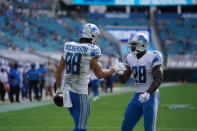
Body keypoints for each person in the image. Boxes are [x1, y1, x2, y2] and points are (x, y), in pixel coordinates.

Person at [55, 23, 125, 131]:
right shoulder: (92, 50)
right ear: (92, 35)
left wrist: (59, 90)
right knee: (81, 127)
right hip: (79, 93)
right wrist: (114, 69)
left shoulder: (68, 46)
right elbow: (100, 74)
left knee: (78, 124)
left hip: (66, 92)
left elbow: (59, 70)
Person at [119, 32, 163, 131]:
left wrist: (148, 93)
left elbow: (159, 78)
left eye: (134, 44)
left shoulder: (153, 56)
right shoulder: (129, 57)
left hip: (151, 95)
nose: (131, 46)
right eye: (131, 44)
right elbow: (123, 80)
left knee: (149, 127)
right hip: (137, 96)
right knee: (127, 123)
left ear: (142, 44)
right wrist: (120, 71)